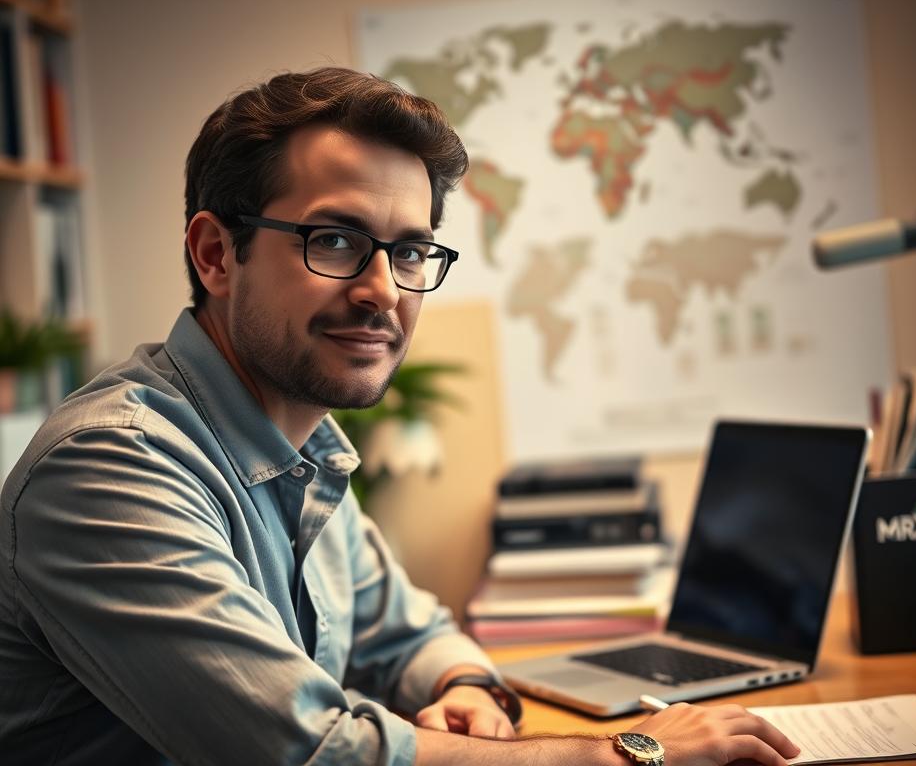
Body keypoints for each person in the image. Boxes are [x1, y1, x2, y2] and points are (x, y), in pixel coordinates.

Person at [0, 67, 800, 766]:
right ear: (216, 255)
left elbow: (409, 633)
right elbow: (312, 752)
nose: (384, 289)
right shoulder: (111, 469)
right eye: (337, 240)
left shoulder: (299, 444)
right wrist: (634, 753)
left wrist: (465, 683)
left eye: (411, 252)